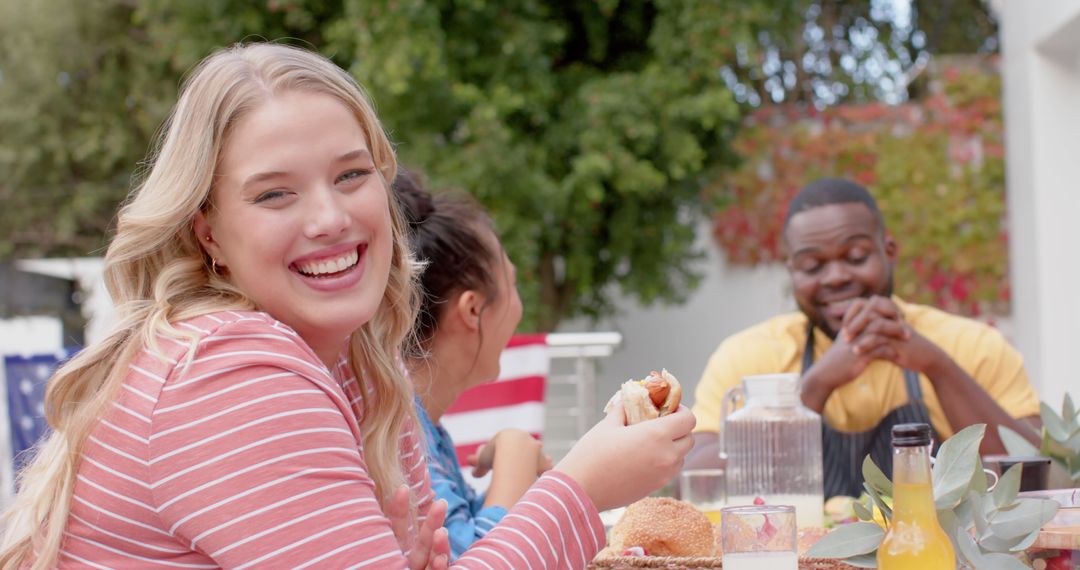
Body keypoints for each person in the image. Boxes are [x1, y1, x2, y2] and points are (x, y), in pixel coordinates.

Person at [0, 43, 696, 569]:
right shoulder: (229, 374)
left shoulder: (359, 368)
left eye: (352, 175)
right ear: (208, 231)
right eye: (275, 193)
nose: (330, 217)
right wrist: (582, 485)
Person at [686, 177, 1041, 498]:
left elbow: (1035, 481)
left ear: (889, 252)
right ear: (792, 271)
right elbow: (699, 485)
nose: (836, 277)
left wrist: (937, 366)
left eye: (855, 257)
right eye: (812, 266)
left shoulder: (972, 345)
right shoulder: (748, 356)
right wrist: (816, 385)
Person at [394, 169, 552, 560]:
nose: (519, 307)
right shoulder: (399, 431)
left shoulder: (422, 426)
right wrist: (517, 450)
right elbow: (478, 559)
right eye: (512, 286)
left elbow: (461, 528)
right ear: (472, 309)